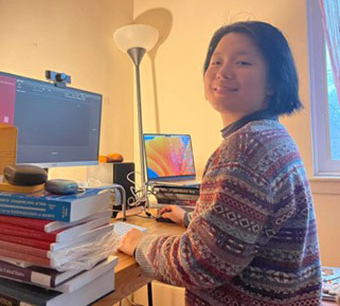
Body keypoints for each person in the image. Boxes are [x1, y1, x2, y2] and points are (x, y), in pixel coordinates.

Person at [118, 21, 322, 306]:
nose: (222, 72)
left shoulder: (246, 147)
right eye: (216, 61)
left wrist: (138, 243)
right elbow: (243, 232)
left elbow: (198, 265)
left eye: (243, 62)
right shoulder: (271, 135)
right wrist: (189, 218)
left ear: (274, 84)